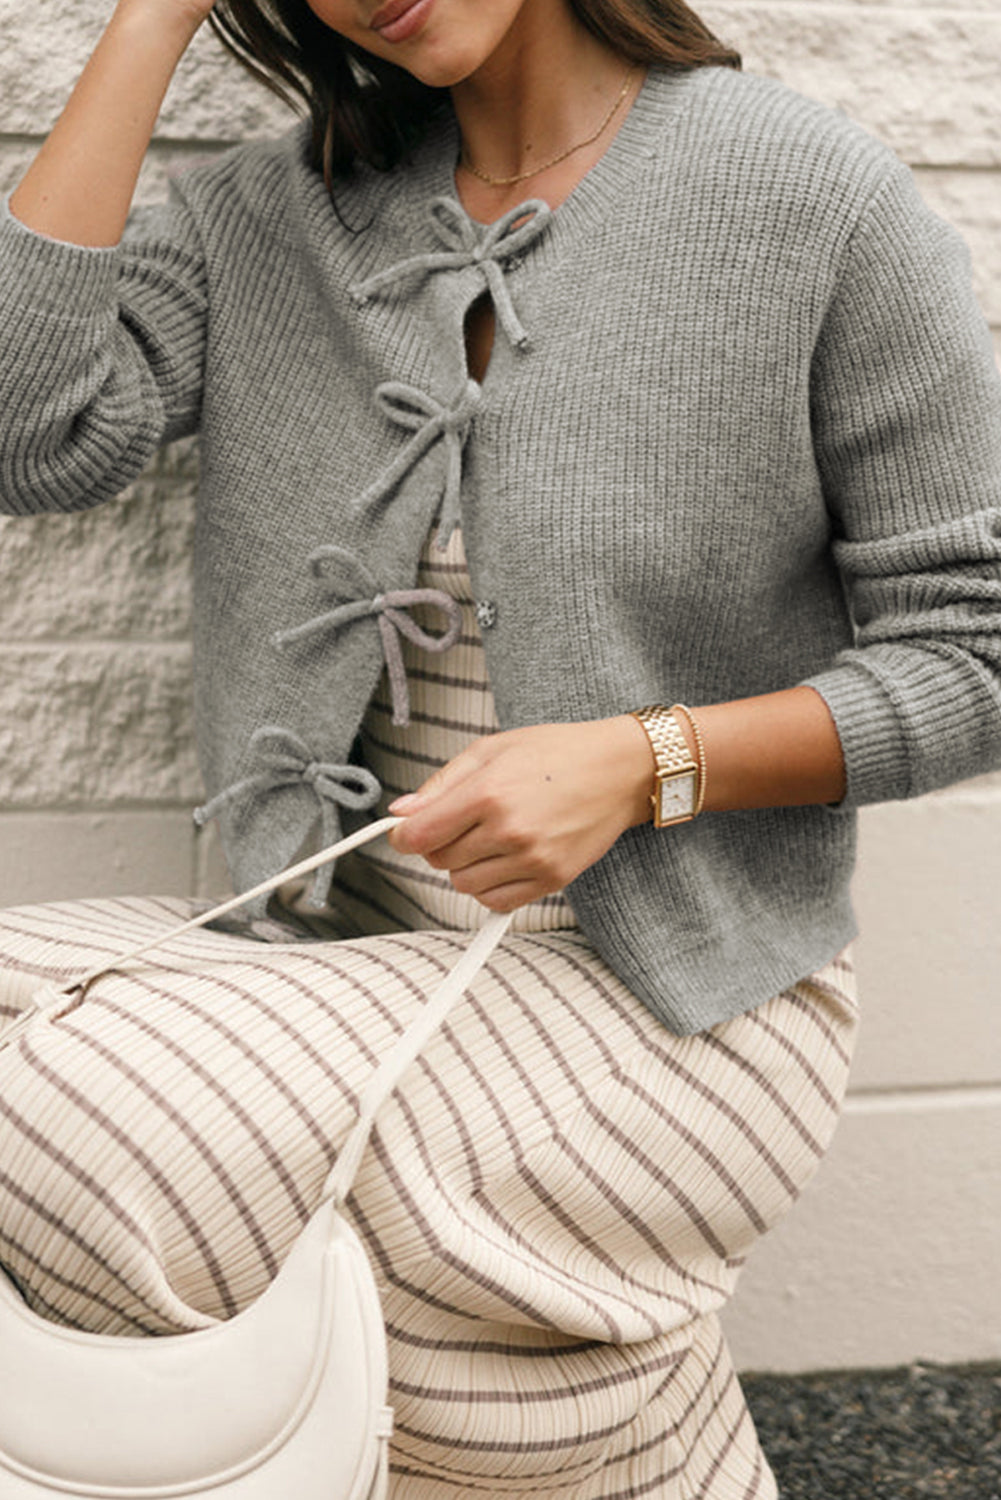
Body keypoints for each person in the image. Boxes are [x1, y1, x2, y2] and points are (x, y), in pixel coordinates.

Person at [0, 0, 999, 1494]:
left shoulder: (809, 196)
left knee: (82, 1116)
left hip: (676, 1007)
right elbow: (29, 429)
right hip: (333, 969)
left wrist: (647, 759)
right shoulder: (271, 214)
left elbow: (976, 650)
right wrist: (151, 19)